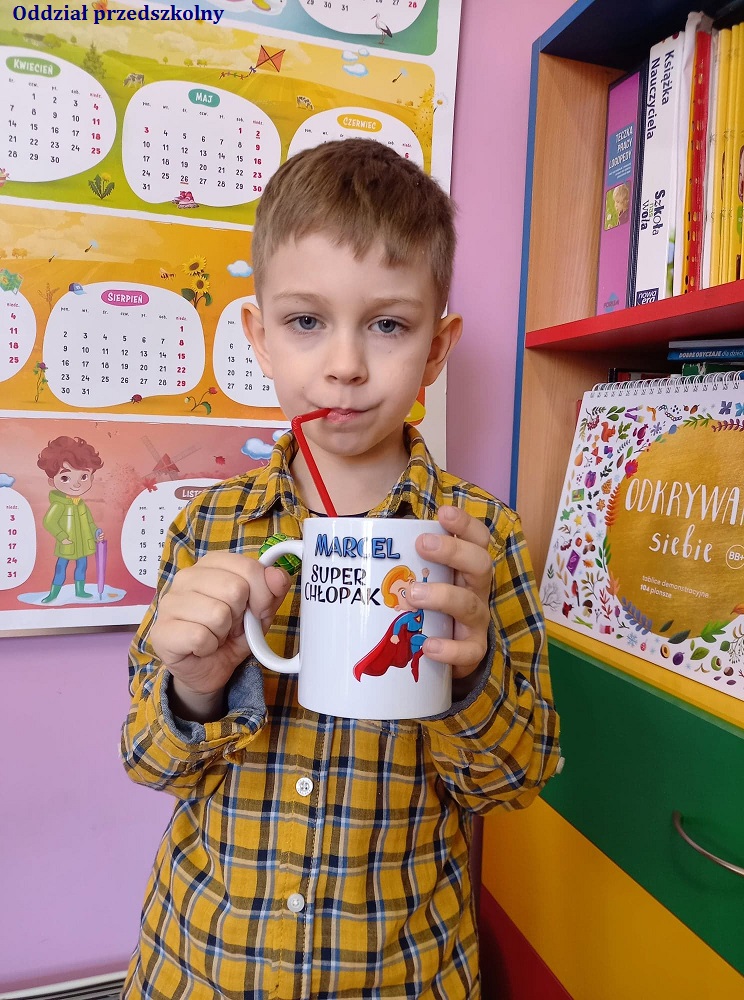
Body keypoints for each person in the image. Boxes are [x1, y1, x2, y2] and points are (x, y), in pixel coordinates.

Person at [120, 138, 561, 999]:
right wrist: (196, 690)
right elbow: (147, 761)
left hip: (399, 974)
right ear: (259, 336)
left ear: (437, 349)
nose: (346, 365)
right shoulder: (207, 527)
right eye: (306, 321)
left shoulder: (480, 540)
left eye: (388, 325)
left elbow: (516, 781)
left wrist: (467, 680)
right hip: (201, 966)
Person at [36, 434, 104, 603]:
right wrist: (62, 537)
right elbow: (49, 521)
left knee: (82, 567)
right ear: (52, 481)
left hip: (84, 544)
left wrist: (96, 533)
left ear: (92, 477)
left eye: (84, 477)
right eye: (65, 477)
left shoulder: (81, 504)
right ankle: (53, 594)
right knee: (61, 568)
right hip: (67, 544)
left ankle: (80, 591)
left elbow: (89, 522)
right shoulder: (59, 504)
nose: (77, 484)